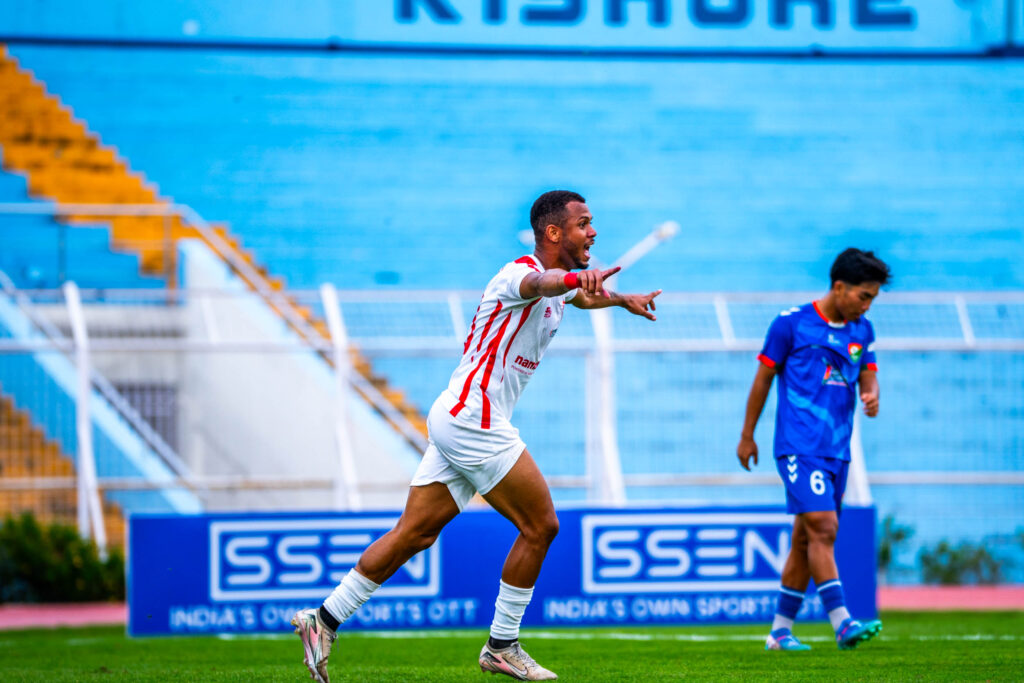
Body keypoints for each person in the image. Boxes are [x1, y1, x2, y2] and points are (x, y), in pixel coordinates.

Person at [292, 190, 662, 682]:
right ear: (554, 233)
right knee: (542, 525)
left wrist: (621, 300)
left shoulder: (558, 294)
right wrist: (574, 277)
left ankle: (323, 619)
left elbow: (579, 295)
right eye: (583, 224)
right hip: (475, 419)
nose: (593, 232)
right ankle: (502, 645)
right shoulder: (518, 275)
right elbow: (547, 281)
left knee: (414, 533)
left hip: (459, 416)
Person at [736, 248, 890, 652]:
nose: (867, 304)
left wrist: (872, 396)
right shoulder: (791, 324)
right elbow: (763, 380)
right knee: (824, 526)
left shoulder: (863, 330)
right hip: (798, 445)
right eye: (863, 295)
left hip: (837, 450)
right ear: (839, 287)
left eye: (872, 297)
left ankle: (779, 632)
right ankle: (842, 623)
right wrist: (747, 434)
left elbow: (869, 378)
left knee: (806, 539)